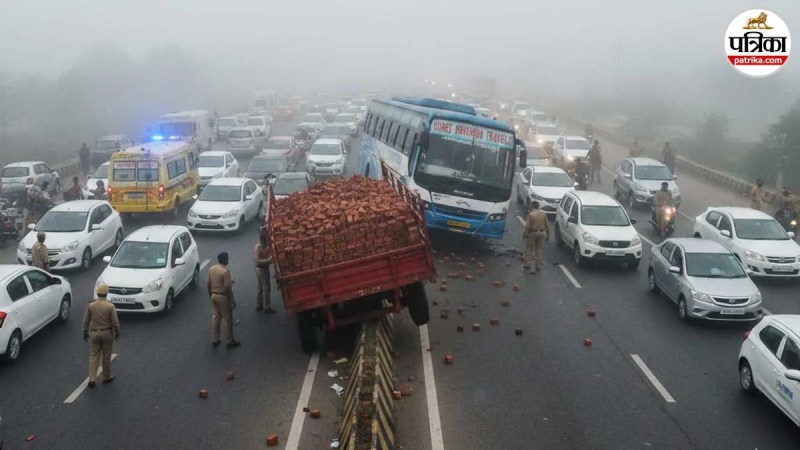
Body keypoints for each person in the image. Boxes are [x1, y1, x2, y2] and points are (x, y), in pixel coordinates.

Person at [82, 283, 120, 387]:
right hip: (107, 333)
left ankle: (92, 379)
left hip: (94, 333)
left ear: (97, 293)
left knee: (94, 356)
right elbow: (115, 323)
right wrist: (117, 333)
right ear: (106, 293)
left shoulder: (91, 305)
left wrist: (85, 333)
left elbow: (85, 321)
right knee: (106, 356)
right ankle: (107, 376)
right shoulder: (110, 306)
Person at [207, 252, 240, 348]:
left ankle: (215, 339)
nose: (228, 260)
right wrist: (232, 300)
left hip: (213, 295)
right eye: (227, 258)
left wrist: (210, 294)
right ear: (224, 260)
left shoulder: (212, 269)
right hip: (222, 296)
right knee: (227, 319)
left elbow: (208, 284)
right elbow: (227, 287)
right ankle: (230, 340)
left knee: (216, 318)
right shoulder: (225, 271)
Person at [523, 201, 549, 274]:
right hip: (542, 233)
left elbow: (527, 226)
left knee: (529, 249)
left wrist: (525, 235)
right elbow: (547, 226)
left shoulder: (530, 215)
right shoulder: (543, 214)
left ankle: (528, 264)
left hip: (532, 233)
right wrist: (548, 235)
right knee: (539, 249)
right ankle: (538, 266)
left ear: (532, 207)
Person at [254, 233, 276, 313]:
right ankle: (267, 307)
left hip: (262, 269)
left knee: (260, 287)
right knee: (266, 288)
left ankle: (259, 304)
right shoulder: (258, 247)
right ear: (263, 240)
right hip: (262, 269)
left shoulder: (265, 246)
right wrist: (268, 260)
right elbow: (257, 260)